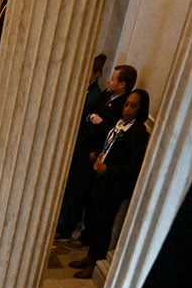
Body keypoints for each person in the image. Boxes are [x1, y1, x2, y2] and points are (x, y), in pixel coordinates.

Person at [75, 87, 152, 277]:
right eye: (126, 104)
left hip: (114, 187)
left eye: (133, 106)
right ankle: (90, 255)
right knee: (94, 218)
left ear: (140, 109)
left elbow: (134, 166)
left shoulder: (137, 133)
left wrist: (107, 169)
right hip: (101, 181)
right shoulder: (119, 124)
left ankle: (95, 261)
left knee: (103, 224)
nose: (127, 109)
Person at [57, 65, 136, 242]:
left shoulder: (120, 106)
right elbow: (86, 113)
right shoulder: (106, 96)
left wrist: (96, 124)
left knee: (79, 193)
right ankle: (61, 222)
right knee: (70, 186)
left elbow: (104, 131)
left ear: (122, 84)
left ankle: (66, 229)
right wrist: (91, 120)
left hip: (92, 154)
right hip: (82, 147)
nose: (110, 80)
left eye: (114, 79)